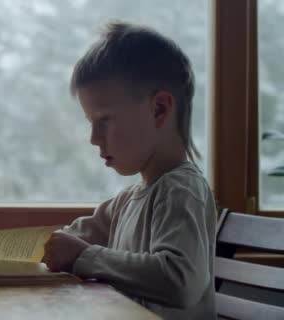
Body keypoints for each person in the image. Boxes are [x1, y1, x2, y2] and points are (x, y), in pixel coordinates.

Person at [42, 22, 217, 320]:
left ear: (159, 109)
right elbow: (65, 240)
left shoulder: (181, 190)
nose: (94, 138)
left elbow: (181, 282)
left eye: (104, 120)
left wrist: (83, 256)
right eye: (90, 123)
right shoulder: (127, 201)